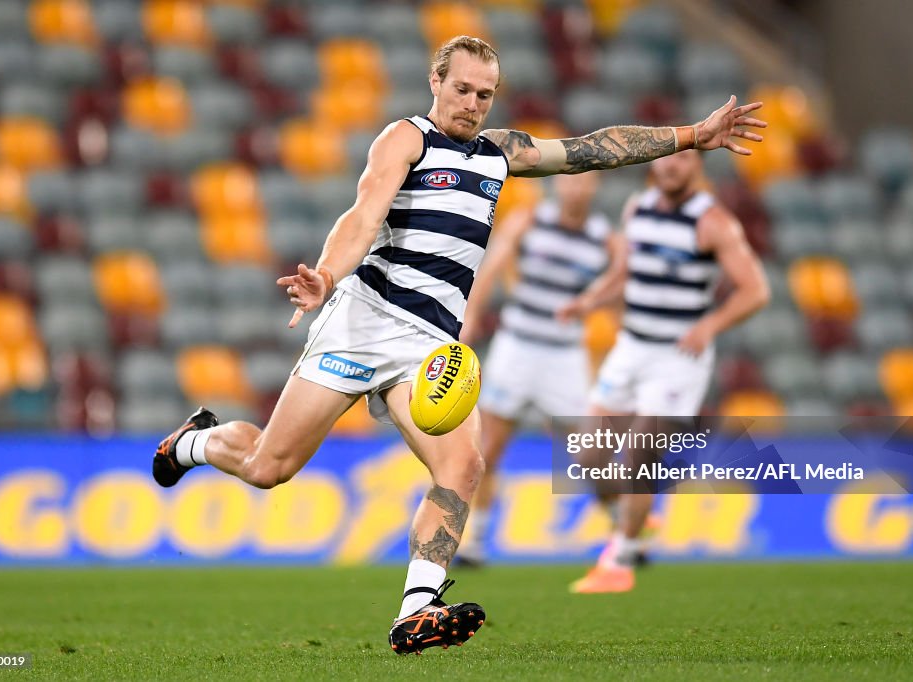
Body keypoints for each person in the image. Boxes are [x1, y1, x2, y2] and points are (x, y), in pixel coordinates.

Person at [150, 35, 766, 652]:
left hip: (427, 345)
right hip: (363, 323)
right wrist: (328, 274)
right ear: (436, 82)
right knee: (268, 467)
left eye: (485, 95)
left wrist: (691, 135)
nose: (473, 104)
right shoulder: (406, 138)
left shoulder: (502, 152)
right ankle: (195, 442)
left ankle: (416, 607)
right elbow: (364, 214)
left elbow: (591, 151)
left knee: (463, 466)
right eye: (463, 89)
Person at [559, 148, 771, 594]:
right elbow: (624, 271)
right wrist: (592, 299)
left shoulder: (714, 222)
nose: (672, 166)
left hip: (679, 359)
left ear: (698, 167)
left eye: (684, 160)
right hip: (632, 346)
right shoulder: (637, 207)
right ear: (655, 162)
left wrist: (709, 325)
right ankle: (634, 520)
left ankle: (619, 561)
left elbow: (755, 290)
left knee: (639, 456)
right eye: (667, 159)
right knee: (588, 456)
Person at [454, 172, 617, 567]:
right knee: (489, 448)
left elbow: (624, 280)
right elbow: (489, 271)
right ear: (556, 185)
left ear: (594, 187)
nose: (575, 188)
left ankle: (623, 530)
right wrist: (470, 318)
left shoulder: (606, 238)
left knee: (590, 455)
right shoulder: (528, 220)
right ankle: (475, 540)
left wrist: (602, 306)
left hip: (565, 355)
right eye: (569, 181)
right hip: (518, 347)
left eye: (584, 181)